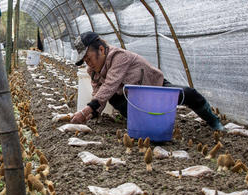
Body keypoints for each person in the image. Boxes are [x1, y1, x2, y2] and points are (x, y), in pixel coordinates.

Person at [70, 32, 224, 130]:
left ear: (101, 50)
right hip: (132, 96)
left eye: (88, 58)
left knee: (188, 94)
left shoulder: (118, 57)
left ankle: (213, 121)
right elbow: (99, 93)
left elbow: (110, 84)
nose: (88, 63)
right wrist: (92, 114)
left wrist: (85, 111)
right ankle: (143, 123)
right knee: (114, 98)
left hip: (153, 87)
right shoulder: (93, 71)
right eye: (84, 60)